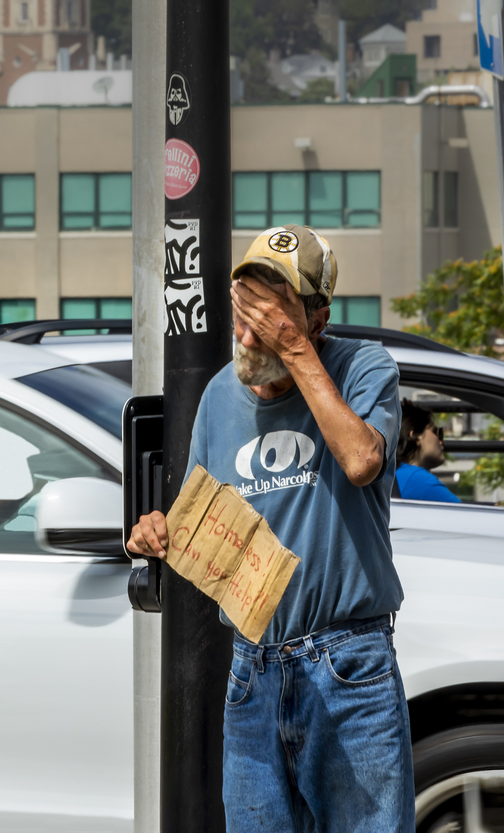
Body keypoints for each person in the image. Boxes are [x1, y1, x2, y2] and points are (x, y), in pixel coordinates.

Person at [127, 224, 413, 832]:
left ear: (317, 319)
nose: (249, 329)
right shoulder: (217, 397)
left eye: (272, 310)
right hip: (252, 672)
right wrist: (156, 530)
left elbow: (363, 461)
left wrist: (297, 352)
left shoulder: (363, 367)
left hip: (349, 666)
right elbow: (198, 517)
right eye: (244, 306)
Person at [395, 399, 460, 502]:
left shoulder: (396, 474)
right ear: (416, 435)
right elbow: (466, 515)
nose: (441, 441)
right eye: (436, 432)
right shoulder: (416, 479)